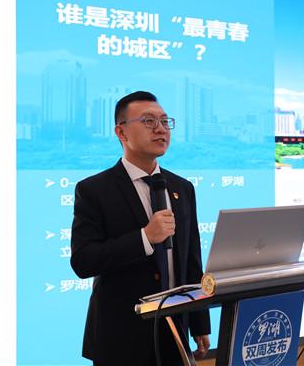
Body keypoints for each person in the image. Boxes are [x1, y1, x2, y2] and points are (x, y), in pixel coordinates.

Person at [70, 91, 210, 365]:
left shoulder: (182, 187)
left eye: (165, 121)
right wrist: (145, 237)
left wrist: (199, 322)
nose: (160, 129)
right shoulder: (94, 190)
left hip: (175, 331)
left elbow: (191, 259)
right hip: (121, 336)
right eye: (148, 121)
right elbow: (83, 261)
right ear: (121, 132)